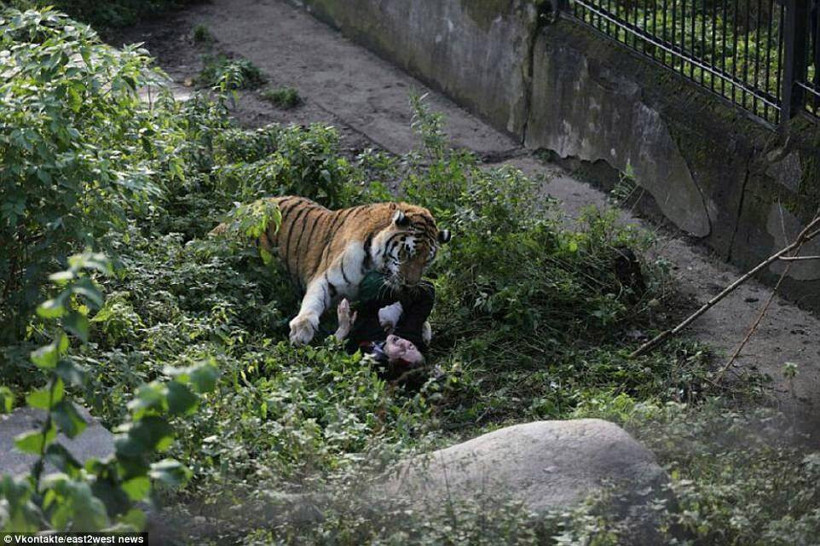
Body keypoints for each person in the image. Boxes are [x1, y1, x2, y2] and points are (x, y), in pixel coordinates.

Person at [333, 270, 435, 383]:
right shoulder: (407, 335)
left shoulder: (364, 362)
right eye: (410, 346)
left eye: (402, 352)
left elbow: (330, 358)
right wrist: (388, 305)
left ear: (389, 364)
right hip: (366, 296)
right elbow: (427, 291)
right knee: (373, 285)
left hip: (338, 318)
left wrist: (342, 329)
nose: (403, 343)